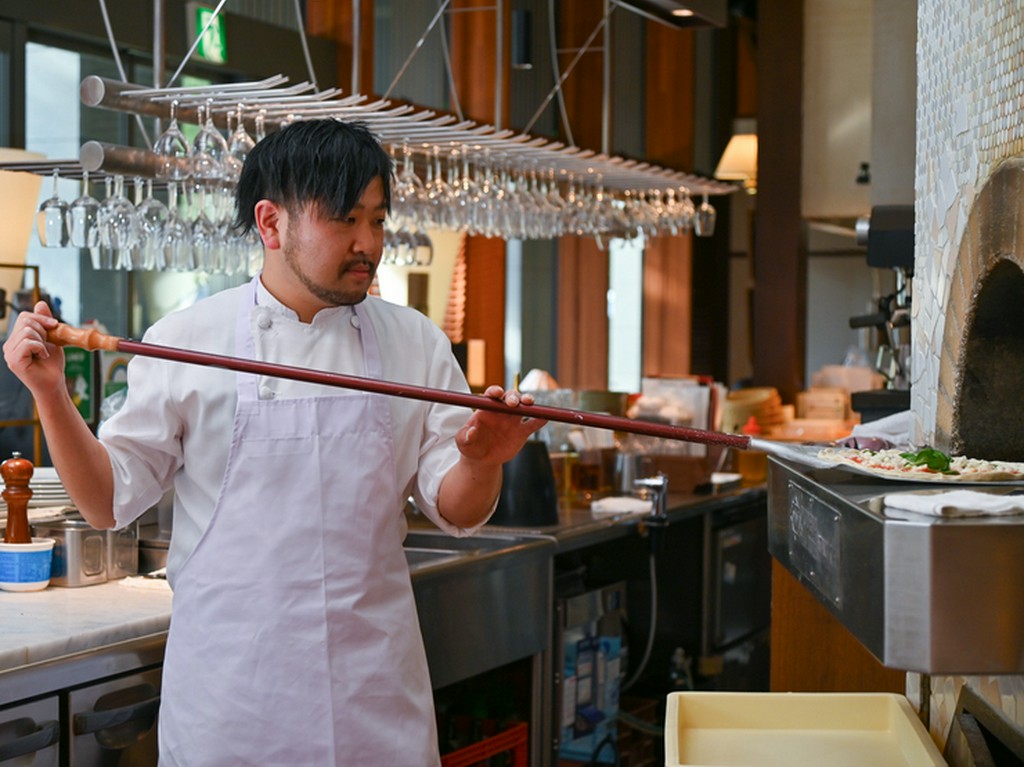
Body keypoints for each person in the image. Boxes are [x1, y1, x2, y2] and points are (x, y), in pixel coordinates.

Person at [3, 119, 544, 766]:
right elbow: (106, 502)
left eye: (377, 220)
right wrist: (51, 395)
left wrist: (481, 460)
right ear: (271, 223)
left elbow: (456, 508)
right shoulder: (186, 340)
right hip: (232, 707)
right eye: (346, 219)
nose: (368, 242)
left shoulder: (416, 342)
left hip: (375, 700)